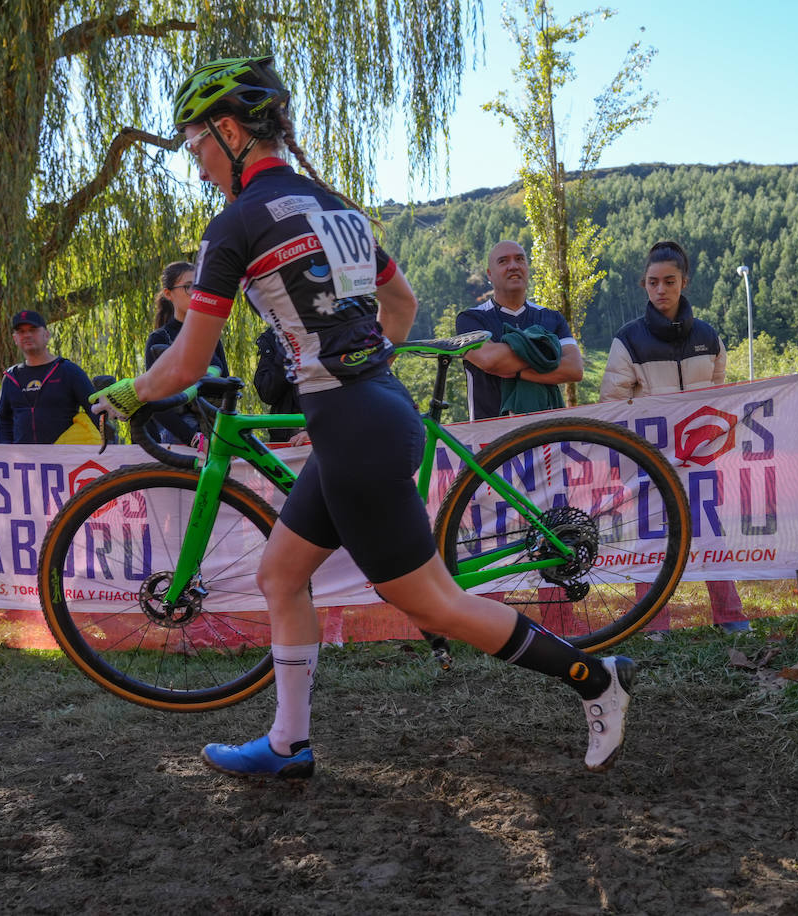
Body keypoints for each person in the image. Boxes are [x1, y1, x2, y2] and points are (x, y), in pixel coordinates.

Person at [92, 56, 633, 780]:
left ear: (228, 131)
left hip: (353, 431)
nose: (195, 167)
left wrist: (127, 392)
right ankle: (289, 743)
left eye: (195, 147)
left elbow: (187, 366)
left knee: (436, 606)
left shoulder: (235, 226)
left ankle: (595, 680)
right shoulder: (336, 207)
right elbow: (403, 307)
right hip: (374, 412)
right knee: (282, 574)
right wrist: (358, 368)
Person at [600, 241, 750, 634]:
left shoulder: (708, 336)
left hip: (700, 461)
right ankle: (654, 625)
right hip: (648, 461)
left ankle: (730, 618)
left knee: (709, 535)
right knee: (651, 541)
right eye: (653, 282)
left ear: (684, 282)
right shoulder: (627, 340)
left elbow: (716, 396)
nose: (661, 290)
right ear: (644, 286)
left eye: (669, 281)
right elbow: (612, 405)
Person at [454, 240, 584, 419]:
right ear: (489, 274)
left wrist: (517, 371)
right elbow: (490, 359)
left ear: (527, 268)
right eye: (503, 261)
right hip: (491, 437)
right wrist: (547, 354)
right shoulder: (470, 319)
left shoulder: (552, 318)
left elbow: (574, 369)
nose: (513, 266)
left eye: (519, 259)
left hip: (547, 435)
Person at [145, 261, 230, 445]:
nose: (196, 292)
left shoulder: (211, 334)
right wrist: (193, 438)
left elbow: (227, 390)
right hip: (180, 436)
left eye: (199, 286)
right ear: (168, 294)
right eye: (188, 287)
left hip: (215, 430)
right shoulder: (159, 339)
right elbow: (154, 402)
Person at [0, 310, 97, 444]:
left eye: (33, 329)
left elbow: (95, 409)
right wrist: (7, 449)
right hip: (23, 462)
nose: (27, 335)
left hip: (65, 459)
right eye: (21, 331)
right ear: (15, 339)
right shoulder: (11, 377)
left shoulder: (68, 370)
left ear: (46, 335)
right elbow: (2, 419)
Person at [251, 327, 302, 443]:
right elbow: (266, 392)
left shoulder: (325, 324)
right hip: (284, 434)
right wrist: (285, 356)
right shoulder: (272, 337)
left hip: (321, 428)